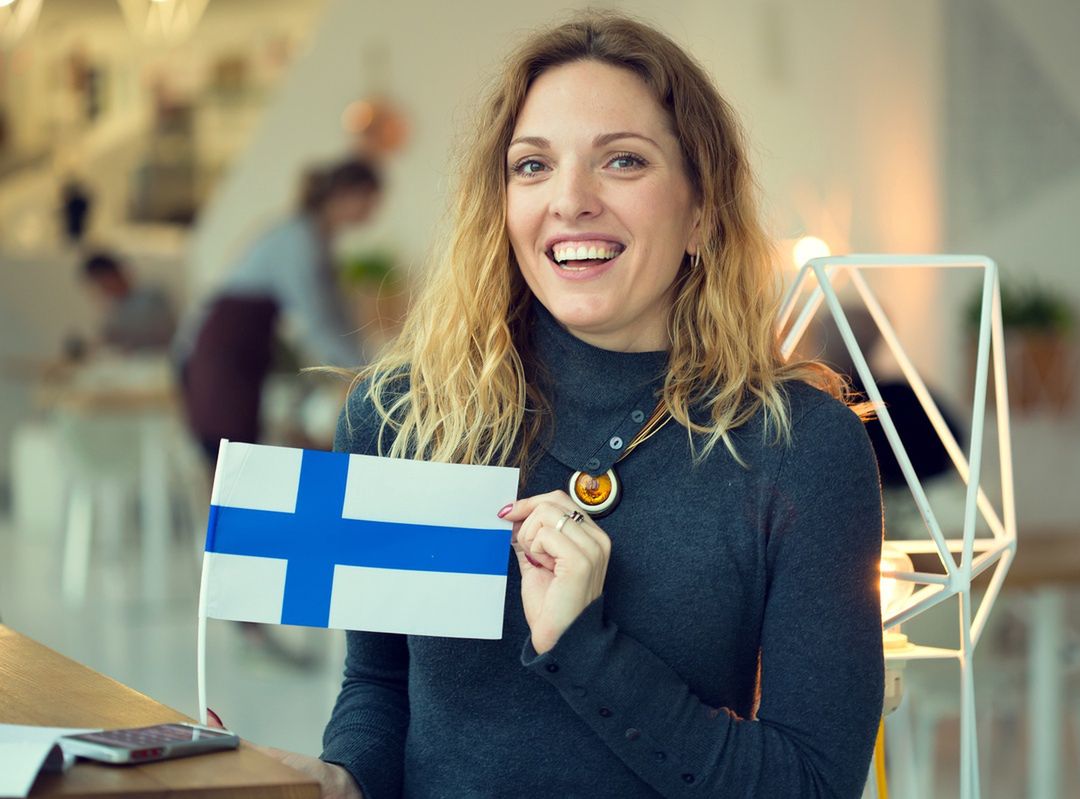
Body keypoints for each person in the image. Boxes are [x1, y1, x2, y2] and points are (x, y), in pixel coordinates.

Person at [241, 13, 883, 798]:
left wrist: (587, 647)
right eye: (533, 166)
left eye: (622, 160)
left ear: (703, 209)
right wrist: (344, 777)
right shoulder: (403, 414)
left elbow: (814, 784)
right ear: (502, 204)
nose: (570, 200)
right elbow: (381, 685)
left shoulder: (800, 446)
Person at [176, 157, 382, 463]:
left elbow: (335, 316)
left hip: (242, 355)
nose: (372, 212)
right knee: (229, 463)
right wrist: (364, 371)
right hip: (221, 356)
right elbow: (318, 321)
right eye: (369, 201)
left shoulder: (314, 238)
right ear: (346, 194)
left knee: (239, 457)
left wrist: (367, 365)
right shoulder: (298, 239)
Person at [80, 251, 177, 353]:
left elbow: (162, 336)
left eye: (101, 283)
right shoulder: (114, 307)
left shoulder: (152, 297)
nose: (101, 289)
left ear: (114, 275)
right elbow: (106, 338)